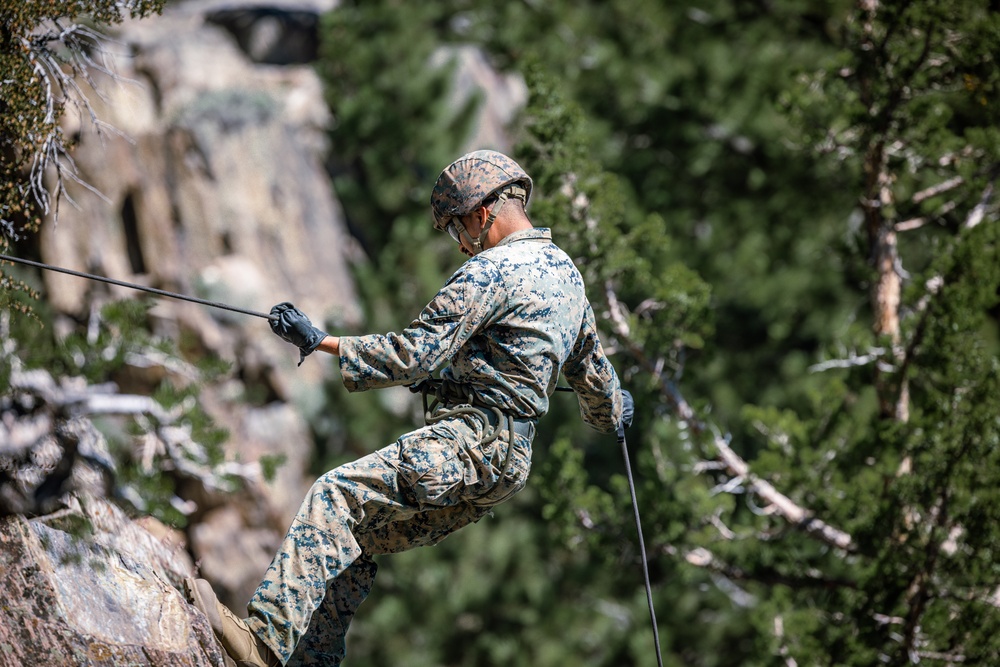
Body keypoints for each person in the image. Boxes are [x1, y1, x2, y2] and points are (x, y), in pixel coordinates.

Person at [187, 150, 633, 666]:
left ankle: (263, 645)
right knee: (353, 537)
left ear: (481, 212)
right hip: (507, 468)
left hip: (467, 443)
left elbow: (413, 354)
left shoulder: (489, 273)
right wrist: (616, 409)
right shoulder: (568, 277)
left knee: (335, 497)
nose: (461, 244)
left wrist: (323, 342)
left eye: (456, 229)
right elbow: (597, 383)